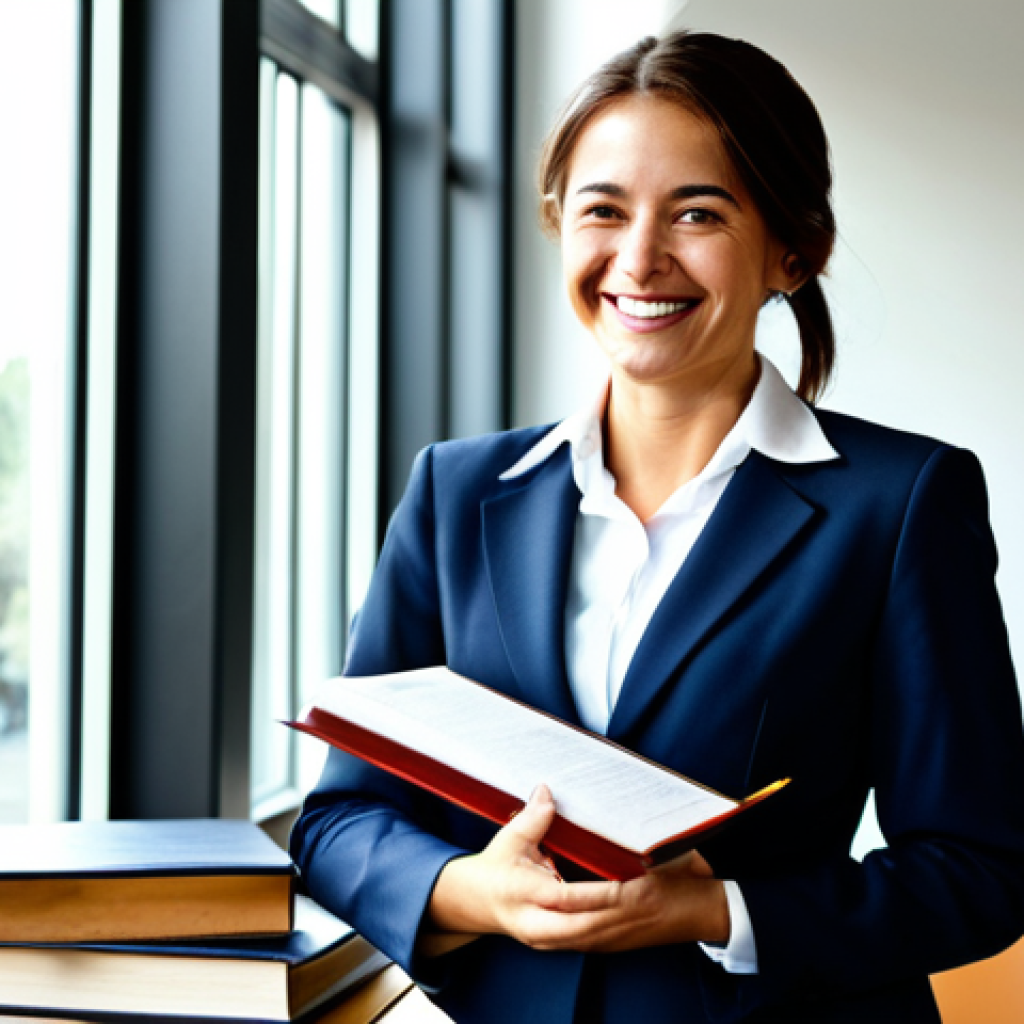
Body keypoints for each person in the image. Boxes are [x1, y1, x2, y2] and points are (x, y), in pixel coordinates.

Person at [290, 31, 1024, 1023]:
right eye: (602, 209)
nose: (640, 258)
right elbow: (340, 818)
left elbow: (979, 870)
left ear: (792, 251)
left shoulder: (900, 502)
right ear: (559, 225)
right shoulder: (453, 491)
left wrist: (714, 910)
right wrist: (479, 890)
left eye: (697, 213)